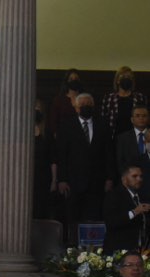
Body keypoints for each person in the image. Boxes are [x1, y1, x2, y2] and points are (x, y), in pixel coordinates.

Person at [56, 93, 115, 244]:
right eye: (82, 105)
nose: (85, 107)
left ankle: (93, 251)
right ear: (76, 108)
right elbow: (61, 155)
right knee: (72, 218)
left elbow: (109, 154)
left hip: (96, 182)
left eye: (88, 105)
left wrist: (109, 178)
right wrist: (62, 179)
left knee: (94, 217)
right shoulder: (67, 126)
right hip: (73, 182)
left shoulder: (103, 125)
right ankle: (71, 249)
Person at [102, 165, 150, 253]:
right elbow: (111, 222)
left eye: (141, 176)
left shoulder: (143, 196)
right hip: (119, 250)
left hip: (142, 249)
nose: (139, 179)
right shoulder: (114, 195)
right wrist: (134, 212)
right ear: (124, 179)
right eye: (134, 176)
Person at [100, 66, 147, 141]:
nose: (126, 78)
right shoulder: (109, 98)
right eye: (123, 76)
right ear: (117, 80)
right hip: (114, 138)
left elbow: (145, 118)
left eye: (129, 77)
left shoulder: (139, 98)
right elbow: (104, 120)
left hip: (134, 138)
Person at [33, 98, 58, 219]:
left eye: (38, 109)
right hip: (27, 177)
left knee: (42, 208)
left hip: (44, 177)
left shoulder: (47, 133)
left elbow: (53, 159)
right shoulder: (22, 133)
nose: (35, 112)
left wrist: (54, 180)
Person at [114, 105, 149, 177]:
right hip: (130, 180)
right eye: (138, 116)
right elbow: (120, 162)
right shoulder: (122, 138)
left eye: (144, 116)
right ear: (132, 119)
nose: (141, 118)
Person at [48, 68, 82, 137]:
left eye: (76, 78)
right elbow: (53, 121)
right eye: (71, 79)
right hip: (64, 135)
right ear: (67, 81)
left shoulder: (85, 99)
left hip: (81, 135)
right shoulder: (59, 100)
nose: (74, 81)